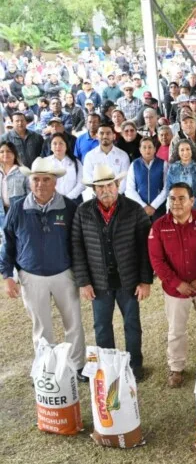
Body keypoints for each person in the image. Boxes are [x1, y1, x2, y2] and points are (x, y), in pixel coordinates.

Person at [1, 158, 86, 381]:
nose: (40, 184)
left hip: (64, 274)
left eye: (45, 179)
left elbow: (78, 243)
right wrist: (7, 275)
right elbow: (8, 242)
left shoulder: (69, 207)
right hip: (30, 275)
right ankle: (47, 369)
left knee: (73, 322)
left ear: (55, 182)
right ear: (30, 182)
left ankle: (77, 366)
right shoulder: (18, 207)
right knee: (41, 328)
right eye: (36, 179)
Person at [71, 164, 152, 381]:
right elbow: (77, 248)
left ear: (117, 185)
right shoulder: (83, 212)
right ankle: (108, 368)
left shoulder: (135, 210)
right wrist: (83, 282)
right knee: (102, 327)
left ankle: (135, 366)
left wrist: (145, 280)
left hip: (130, 280)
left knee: (132, 325)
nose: (105, 190)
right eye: (100, 187)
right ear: (94, 190)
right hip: (98, 283)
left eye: (109, 184)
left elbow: (146, 248)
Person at [148, 183, 196, 388]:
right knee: (176, 330)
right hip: (175, 290)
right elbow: (157, 260)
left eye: (182, 198)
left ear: (192, 201)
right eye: (172, 198)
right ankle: (176, 367)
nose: (176, 202)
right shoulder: (159, 226)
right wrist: (176, 283)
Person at [82, 124, 131, 194]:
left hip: (118, 196)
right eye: (101, 133)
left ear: (114, 136)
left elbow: (125, 179)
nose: (105, 136)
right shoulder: (89, 156)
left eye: (108, 133)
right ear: (96, 136)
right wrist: (100, 195)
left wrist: (114, 195)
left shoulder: (123, 155)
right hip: (96, 197)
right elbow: (88, 179)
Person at [167, 140, 196, 213]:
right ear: (178, 152)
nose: (185, 152)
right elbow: (169, 187)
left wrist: (194, 204)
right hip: (177, 206)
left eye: (187, 149)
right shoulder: (172, 168)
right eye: (182, 150)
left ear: (192, 150)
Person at [0, 142, 30, 228]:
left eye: (9, 151)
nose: (5, 154)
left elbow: (30, 194)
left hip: (19, 212)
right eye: (2, 152)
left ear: (14, 153)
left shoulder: (23, 171)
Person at [47, 133, 84, 202]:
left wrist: (68, 198)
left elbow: (82, 183)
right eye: (54, 144)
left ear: (66, 146)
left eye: (61, 143)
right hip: (52, 201)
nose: (58, 146)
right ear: (51, 147)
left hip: (74, 200)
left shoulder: (75, 162)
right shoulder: (45, 162)